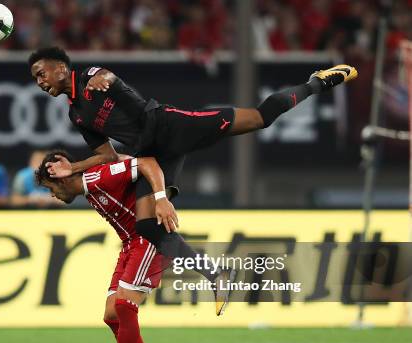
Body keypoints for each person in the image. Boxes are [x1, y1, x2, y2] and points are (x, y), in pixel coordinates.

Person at [28, 46, 358, 272]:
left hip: (169, 126)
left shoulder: (90, 76)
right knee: (147, 227)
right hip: (151, 153)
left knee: (259, 118)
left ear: (60, 68)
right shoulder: (76, 116)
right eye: (36, 79)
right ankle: (213, 275)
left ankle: (317, 82)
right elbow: (107, 156)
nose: (40, 83)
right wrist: (74, 167)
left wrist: (108, 79)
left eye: (42, 74)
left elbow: (109, 77)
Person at [35, 150, 235, 343]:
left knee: (124, 305)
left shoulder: (98, 178)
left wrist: (161, 198)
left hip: (146, 241)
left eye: (50, 188)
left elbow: (147, 162)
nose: (52, 195)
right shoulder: (92, 184)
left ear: (62, 179)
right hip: (130, 244)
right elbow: (119, 158)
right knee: (111, 315)